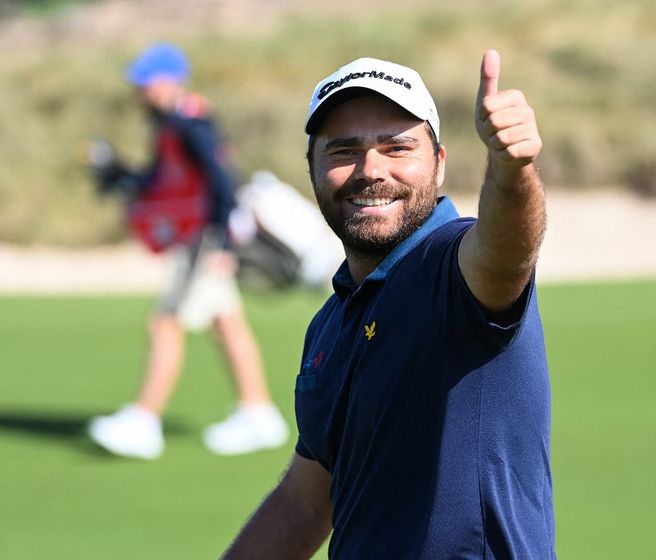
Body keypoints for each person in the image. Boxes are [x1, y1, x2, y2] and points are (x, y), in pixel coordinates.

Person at [223, 48, 555, 559]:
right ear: (311, 168)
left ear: (439, 164)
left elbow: (506, 252)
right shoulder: (331, 323)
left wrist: (513, 171)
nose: (370, 169)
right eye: (343, 150)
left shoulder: (448, 268)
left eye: (397, 148)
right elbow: (306, 502)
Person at [87, 43, 288, 460]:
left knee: (166, 323)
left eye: (146, 84)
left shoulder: (190, 123)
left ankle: (144, 420)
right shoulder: (168, 126)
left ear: (168, 81)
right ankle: (258, 412)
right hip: (201, 235)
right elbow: (160, 180)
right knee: (225, 322)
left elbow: (220, 178)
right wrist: (119, 175)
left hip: (208, 239)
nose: (140, 92)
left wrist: (225, 239)